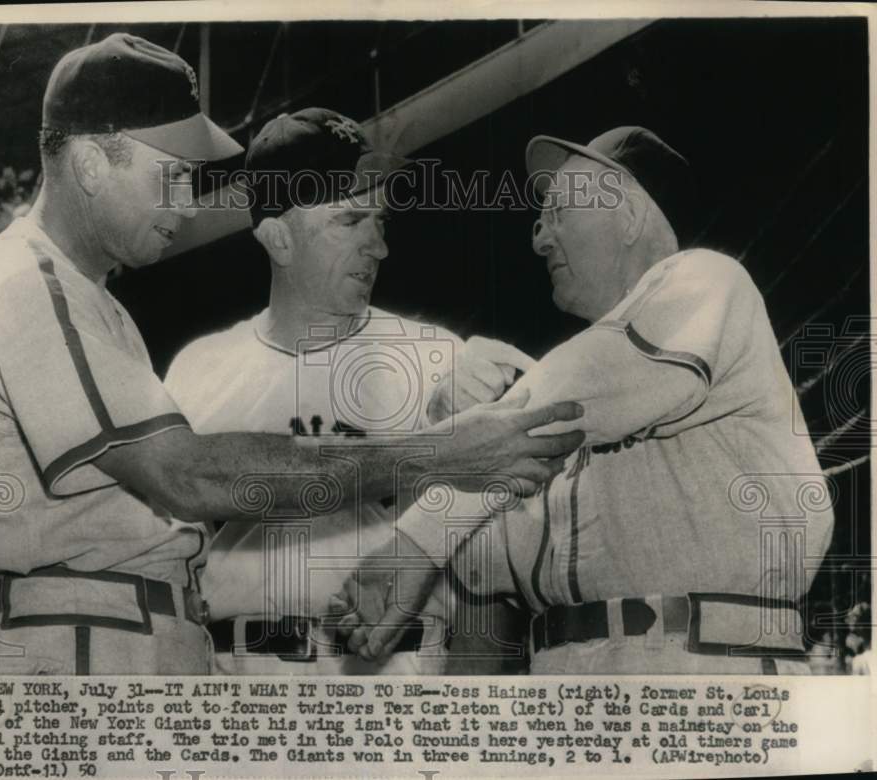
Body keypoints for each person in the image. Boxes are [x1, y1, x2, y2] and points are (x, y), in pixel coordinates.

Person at [0, 34, 582, 676]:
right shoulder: (26, 283)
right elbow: (186, 477)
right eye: (173, 175)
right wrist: (439, 453)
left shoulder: (90, 301)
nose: (189, 200)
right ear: (91, 164)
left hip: (167, 636)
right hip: (99, 633)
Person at [338, 126, 835, 675]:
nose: (539, 240)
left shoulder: (710, 282)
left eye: (556, 212)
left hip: (704, 669)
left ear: (626, 213)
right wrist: (457, 426)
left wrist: (422, 529)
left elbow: (574, 391)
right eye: (538, 220)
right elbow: (483, 569)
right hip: (567, 680)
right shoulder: (578, 387)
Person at [165, 108, 553, 674]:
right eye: (350, 222)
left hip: (395, 681)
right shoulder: (198, 370)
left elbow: (491, 577)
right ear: (278, 238)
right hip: (242, 682)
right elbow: (165, 570)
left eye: (381, 222)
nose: (379, 248)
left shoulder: (438, 357)